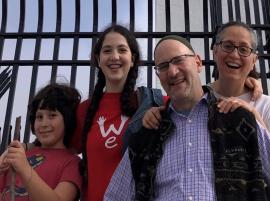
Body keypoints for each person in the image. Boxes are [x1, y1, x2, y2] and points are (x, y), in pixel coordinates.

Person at [104, 35, 270, 200]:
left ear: (198, 62)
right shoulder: (146, 136)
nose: (172, 71)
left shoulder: (238, 119)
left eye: (178, 60)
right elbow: (115, 196)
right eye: (163, 66)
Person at [70, 24, 165, 201]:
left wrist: (233, 99)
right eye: (107, 51)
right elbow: (58, 148)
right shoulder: (84, 110)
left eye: (122, 49)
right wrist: (26, 148)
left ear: (133, 58)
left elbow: (196, 108)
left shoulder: (154, 102)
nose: (114, 56)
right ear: (98, 59)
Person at [0, 83, 82, 201]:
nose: (44, 124)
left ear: (68, 120)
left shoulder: (72, 163)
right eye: (39, 117)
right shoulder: (19, 155)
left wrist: (25, 169)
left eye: (52, 115)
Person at [210, 21, 270, 131]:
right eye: (228, 46)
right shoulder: (199, 100)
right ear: (215, 52)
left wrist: (252, 114)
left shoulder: (266, 106)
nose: (234, 55)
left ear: (254, 61)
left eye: (243, 49)